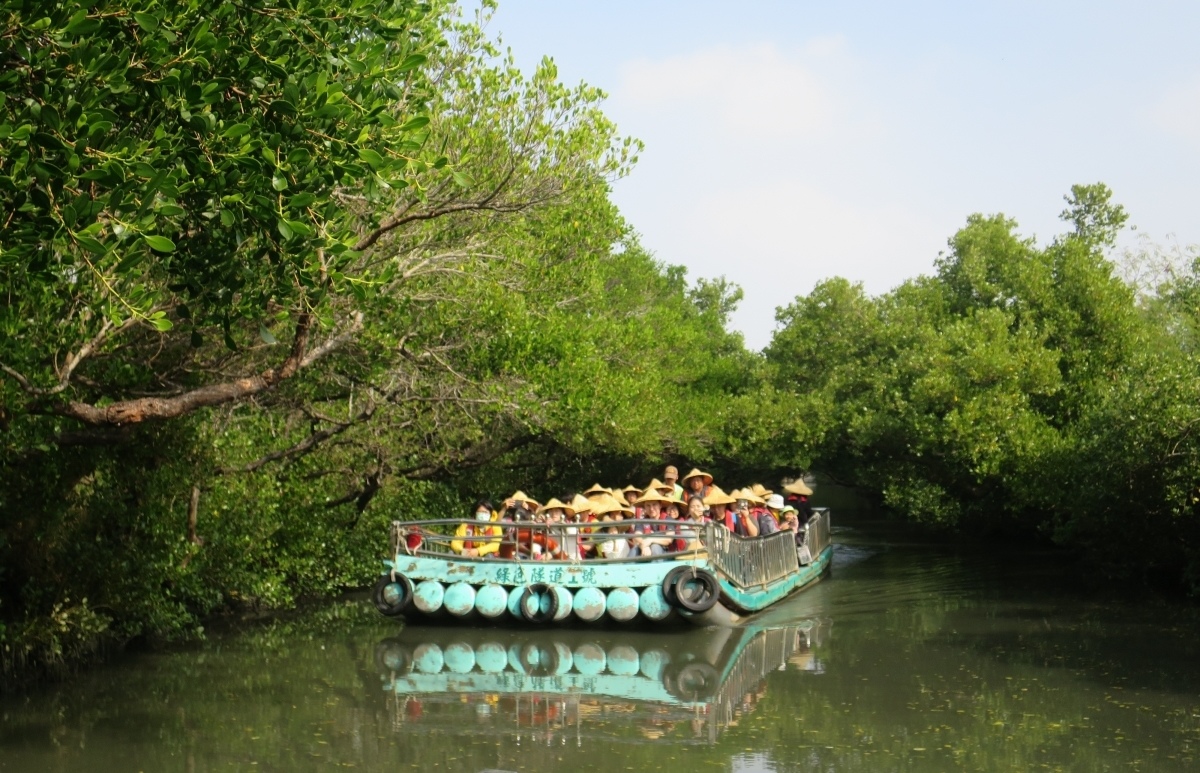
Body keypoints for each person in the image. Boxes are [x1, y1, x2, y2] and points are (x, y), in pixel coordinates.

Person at [631, 487, 675, 556]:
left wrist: (651, 540)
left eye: (654, 504)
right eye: (648, 505)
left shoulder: (668, 519)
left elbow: (668, 540)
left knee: (655, 547)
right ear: (644, 507)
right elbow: (637, 536)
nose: (651, 509)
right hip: (644, 549)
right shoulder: (641, 521)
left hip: (665, 553)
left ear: (660, 505)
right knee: (634, 550)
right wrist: (644, 546)